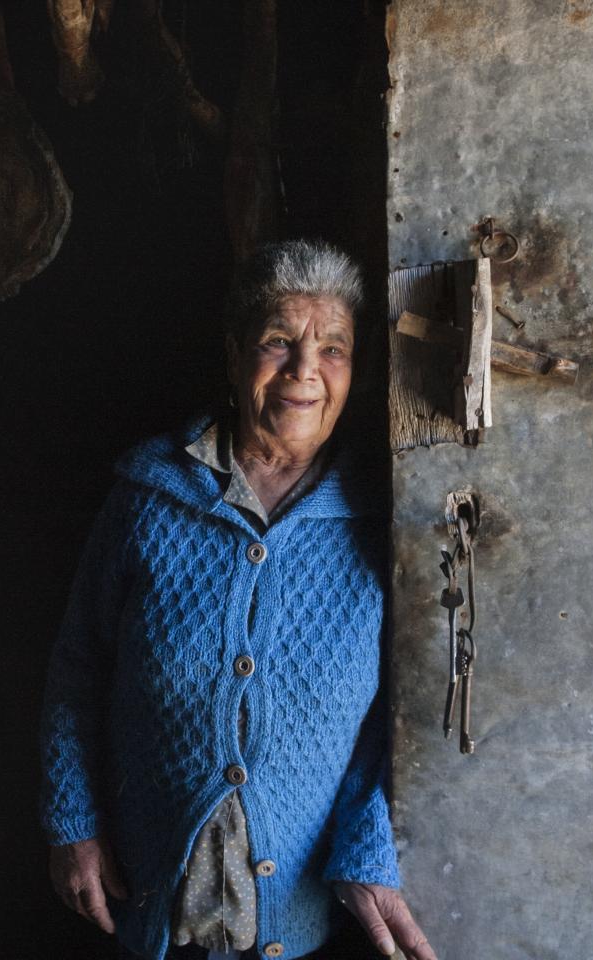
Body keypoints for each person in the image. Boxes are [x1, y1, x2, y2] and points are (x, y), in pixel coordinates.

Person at [39, 240, 437, 960]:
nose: (304, 371)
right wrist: (72, 821)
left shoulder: (387, 520)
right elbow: (78, 671)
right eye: (278, 341)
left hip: (305, 912)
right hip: (148, 889)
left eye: (333, 348)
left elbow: (398, 718)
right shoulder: (146, 497)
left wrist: (368, 845)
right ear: (233, 356)